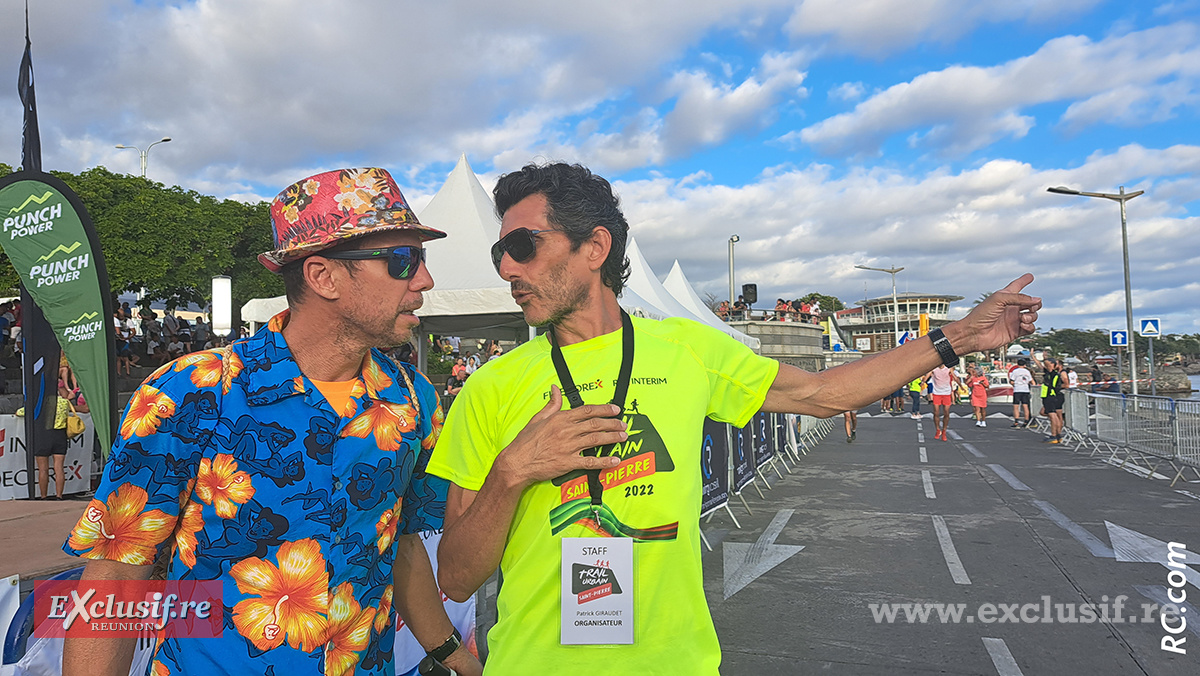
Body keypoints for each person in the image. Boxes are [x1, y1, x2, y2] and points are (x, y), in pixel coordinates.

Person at [426, 161, 1041, 673]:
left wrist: (955, 337)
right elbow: (455, 577)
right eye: (498, 252)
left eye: (521, 247)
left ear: (594, 247)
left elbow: (823, 394)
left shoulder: (688, 350)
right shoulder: (491, 387)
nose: (506, 268)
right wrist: (513, 472)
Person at [62, 168, 481, 676]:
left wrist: (451, 655)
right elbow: (115, 570)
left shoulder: (414, 400)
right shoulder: (192, 391)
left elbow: (405, 544)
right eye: (402, 260)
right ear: (323, 276)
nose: (425, 281)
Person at [34, 382, 72, 500]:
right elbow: (70, 397)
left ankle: (43, 496)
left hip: (43, 434)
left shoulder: (39, 403)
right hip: (59, 435)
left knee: (43, 469)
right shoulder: (63, 402)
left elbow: (22, 412)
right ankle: (59, 495)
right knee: (59, 468)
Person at [1032, 353, 1066, 443]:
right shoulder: (1050, 373)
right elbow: (1040, 365)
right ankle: (1058, 435)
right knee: (1054, 416)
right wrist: (1033, 356)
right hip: (1052, 396)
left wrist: (1046, 359)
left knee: (1053, 416)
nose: (1045, 365)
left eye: (1048, 364)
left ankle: (1054, 435)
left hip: (1050, 396)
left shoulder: (1053, 374)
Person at [927, 364, 960, 440]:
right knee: (936, 412)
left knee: (946, 412)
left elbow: (955, 377)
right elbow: (927, 375)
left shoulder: (949, 368)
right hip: (937, 393)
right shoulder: (934, 368)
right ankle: (938, 430)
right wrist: (923, 382)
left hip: (946, 393)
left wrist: (960, 386)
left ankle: (944, 431)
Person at [1010, 358, 1034, 427]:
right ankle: (1026, 421)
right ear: (1024, 364)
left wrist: (1014, 384)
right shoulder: (1027, 372)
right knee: (1025, 405)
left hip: (1017, 389)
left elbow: (1012, 381)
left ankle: (1016, 421)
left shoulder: (1015, 371)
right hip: (1025, 389)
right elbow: (1031, 380)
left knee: (1016, 406)